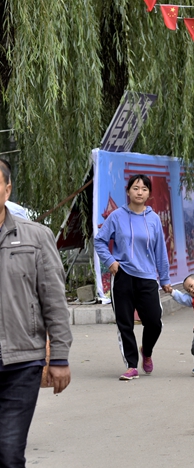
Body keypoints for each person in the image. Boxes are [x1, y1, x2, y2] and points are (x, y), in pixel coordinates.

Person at [0, 160, 72, 467]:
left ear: (7, 188)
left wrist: (58, 356)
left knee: (9, 453)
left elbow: (54, 299)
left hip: (21, 362)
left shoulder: (35, 237)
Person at [94, 174, 172, 380]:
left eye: (144, 189)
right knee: (124, 323)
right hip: (123, 276)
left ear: (149, 194)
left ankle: (146, 351)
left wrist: (164, 279)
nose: (139, 192)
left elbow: (160, 251)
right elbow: (100, 241)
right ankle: (131, 365)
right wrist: (111, 262)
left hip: (147, 277)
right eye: (135, 188)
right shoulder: (117, 216)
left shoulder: (153, 219)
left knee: (154, 322)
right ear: (128, 191)